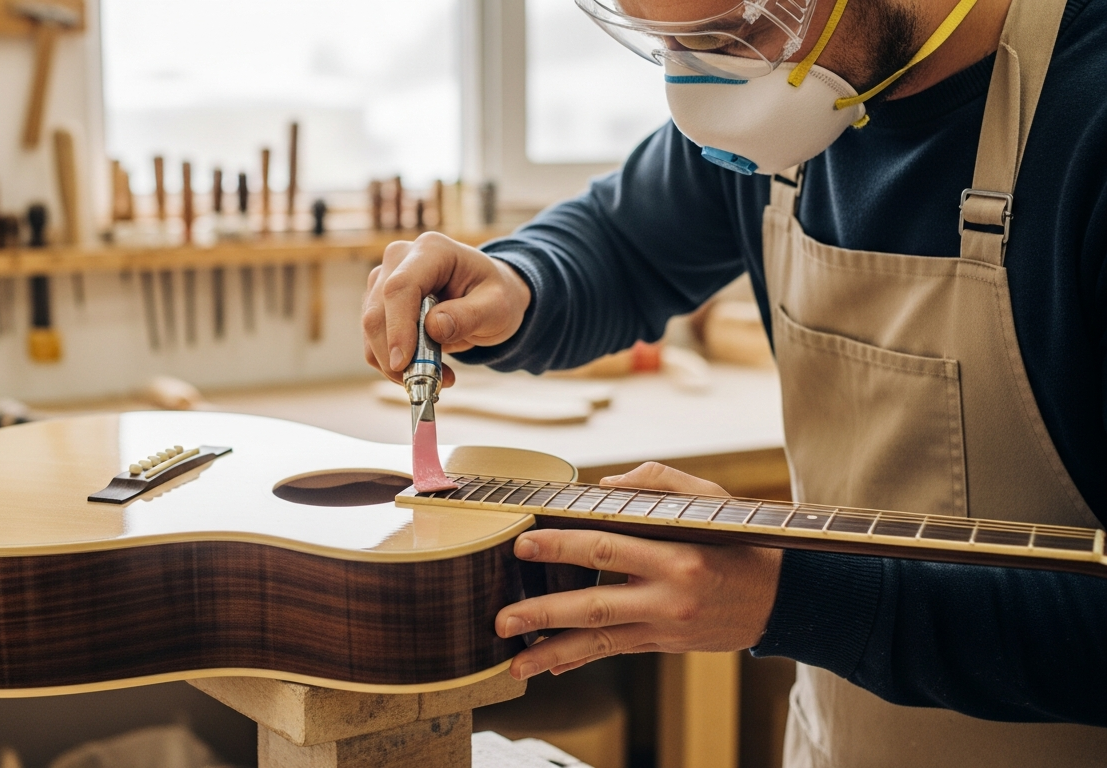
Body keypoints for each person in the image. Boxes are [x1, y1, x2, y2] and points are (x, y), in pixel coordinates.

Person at [360, 0, 1107, 765]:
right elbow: (625, 244)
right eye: (667, 45)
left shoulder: (1085, 116)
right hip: (838, 739)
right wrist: (520, 284)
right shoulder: (801, 105)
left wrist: (796, 599)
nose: (705, 83)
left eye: (740, 34)